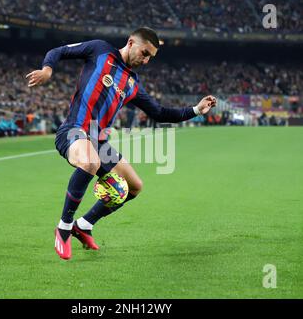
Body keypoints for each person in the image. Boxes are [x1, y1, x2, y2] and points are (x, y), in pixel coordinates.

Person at [26, 27, 216, 260]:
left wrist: (197, 110)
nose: (145, 60)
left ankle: (83, 226)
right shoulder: (99, 50)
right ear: (131, 43)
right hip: (73, 130)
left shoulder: (132, 83)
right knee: (89, 162)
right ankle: (64, 227)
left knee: (134, 186)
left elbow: (160, 112)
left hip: (99, 142)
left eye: (150, 58)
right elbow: (59, 51)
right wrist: (47, 70)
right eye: (144, 53)